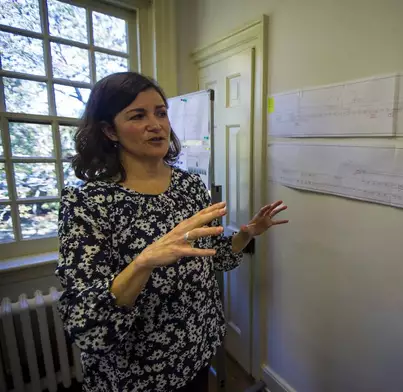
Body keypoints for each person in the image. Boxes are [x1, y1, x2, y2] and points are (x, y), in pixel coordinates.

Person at [55, 72, 288, 392]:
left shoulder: (189, 186)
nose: (156, 124)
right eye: (138, 115)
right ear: (109, 130)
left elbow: (213, 258)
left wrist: (247, 233)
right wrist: (144, 261)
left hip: (196, 351)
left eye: (161, 112)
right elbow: (85, 320)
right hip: (137, 372)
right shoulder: (87, 202)